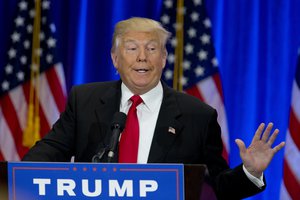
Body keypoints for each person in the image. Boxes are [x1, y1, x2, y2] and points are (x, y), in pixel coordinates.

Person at [22, 17, 285, 199]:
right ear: (115, 58)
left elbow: (215, 189)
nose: (142, 57)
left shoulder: (198, 116)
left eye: (151, 48)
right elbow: (45, 156)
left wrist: (250, 171)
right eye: (132, 48)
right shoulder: (85, 100)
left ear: (163, 58)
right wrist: (14, 179)